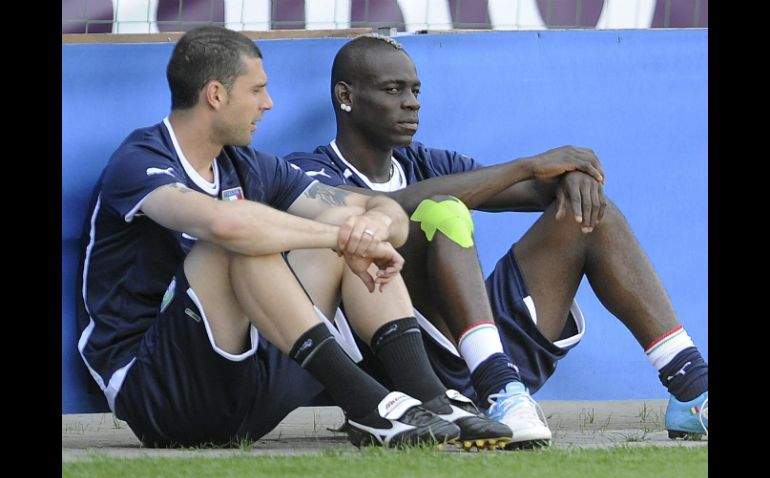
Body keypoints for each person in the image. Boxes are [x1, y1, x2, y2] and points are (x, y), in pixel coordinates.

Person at [76, 26, 514, 450]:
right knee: (240, 241)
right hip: (158, 394)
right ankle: (368, 403)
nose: (268, 104)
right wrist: (340, 236)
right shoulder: (140, 160)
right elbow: (225, 225)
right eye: (257, 90)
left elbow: (377, 208)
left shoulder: (252, 166)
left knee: (338, 236)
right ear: (215, 95)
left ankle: (430, 398)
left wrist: (372, 229)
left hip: (248, 394)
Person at [285, 34, 709, 446]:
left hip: (489, 354)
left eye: (415, 90)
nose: (412, 102)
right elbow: (378, 207)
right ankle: (500, 390)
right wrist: (529, 164)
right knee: (441, 210)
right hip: (414, 381)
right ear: (346, 96)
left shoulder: (431, 161)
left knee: (589, 216)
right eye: (393, 90)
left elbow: (538, 190)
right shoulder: (305, 172)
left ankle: (691, 388)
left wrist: (572, 176)